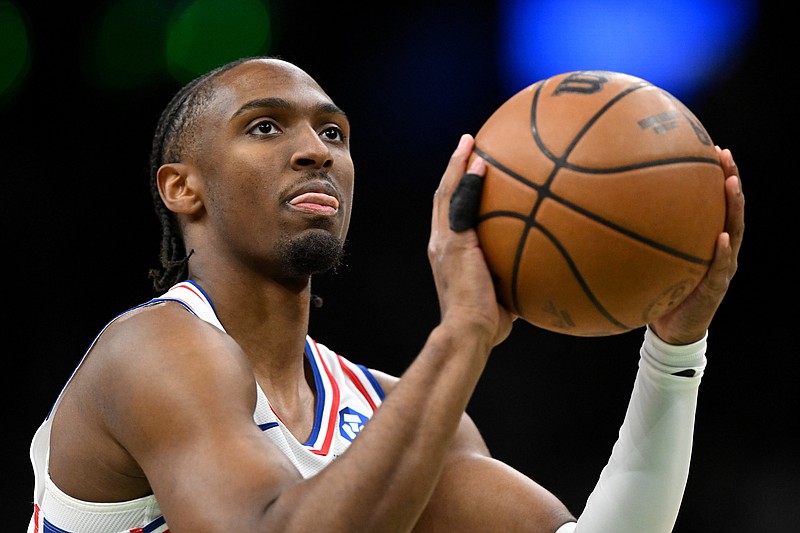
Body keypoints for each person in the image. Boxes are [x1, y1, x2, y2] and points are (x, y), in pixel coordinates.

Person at [28, 56, 744, 532]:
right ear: (183, 187)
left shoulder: (395, 411)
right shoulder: (151, 350)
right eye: (266, 126)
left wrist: (675, 349)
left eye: (334, 132)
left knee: (452, 486)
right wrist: (464, 333)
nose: (317, 150)